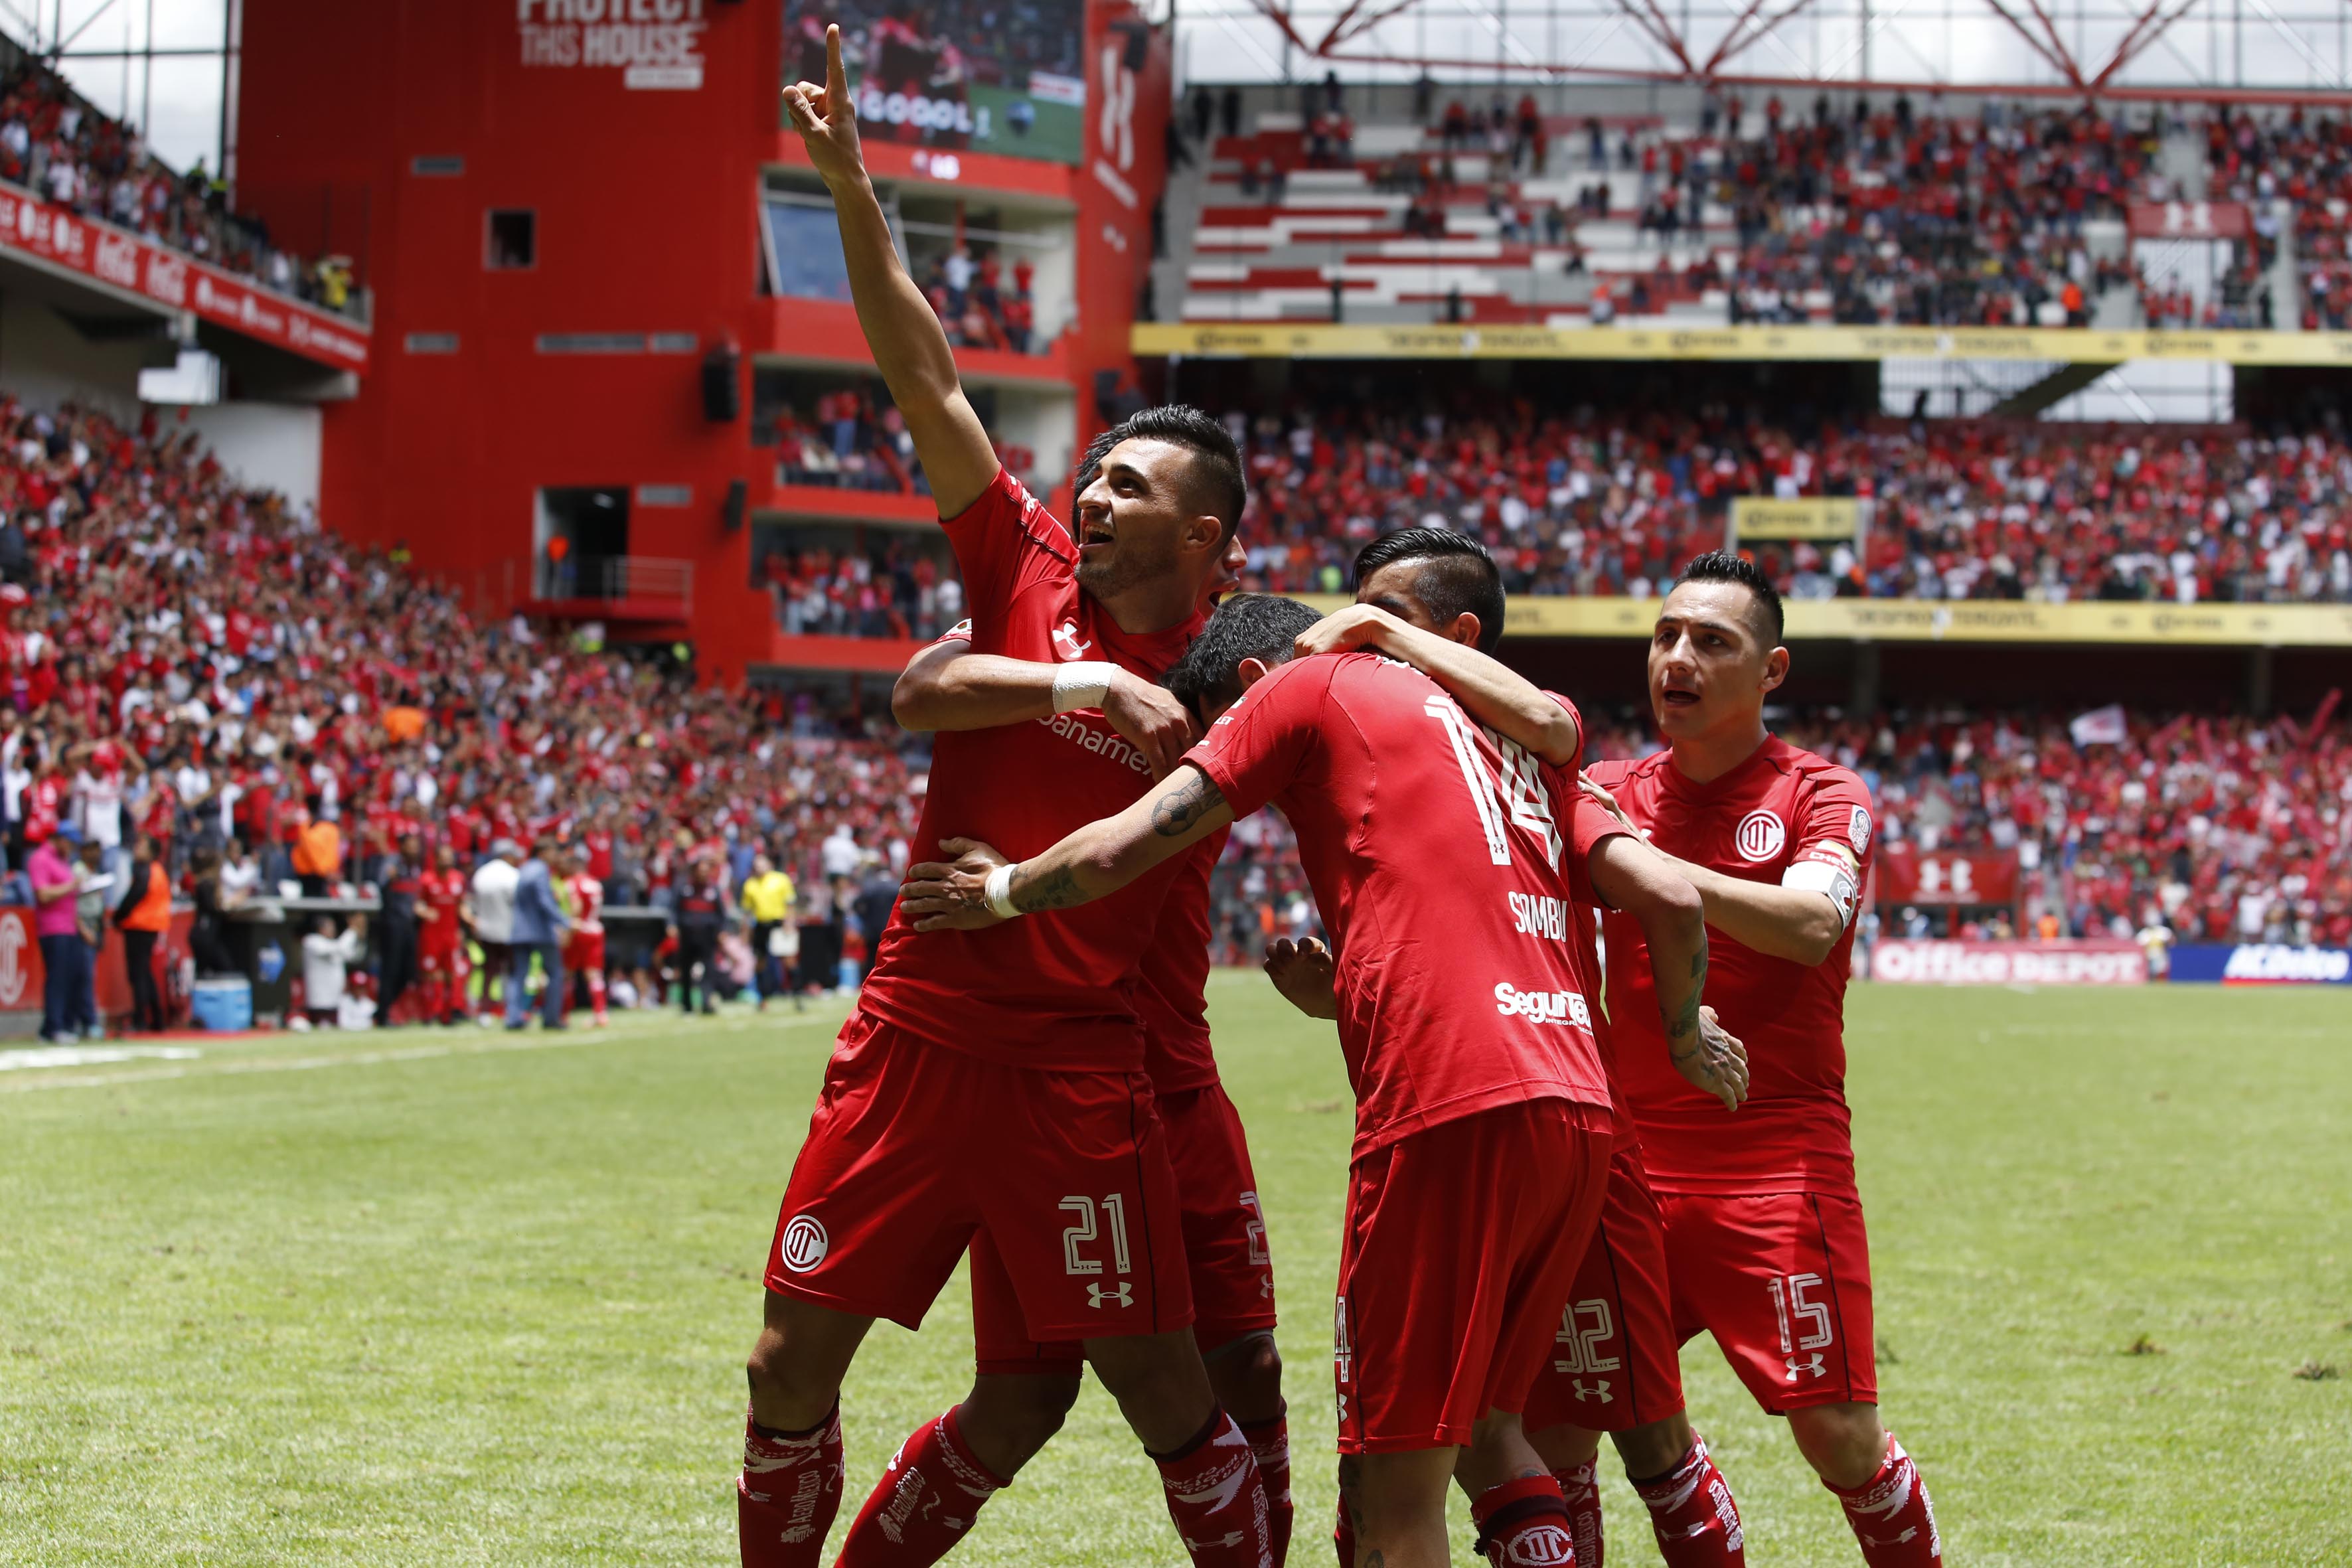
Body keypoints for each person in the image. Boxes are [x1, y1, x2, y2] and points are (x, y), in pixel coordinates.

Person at [900, 593, 1733, 1568]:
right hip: (1576, 1102)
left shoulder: (1296, 688)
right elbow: (1640, 855)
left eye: (1209, 725)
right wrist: (1683, 1037)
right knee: (1493, 1432)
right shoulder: (1492, 721)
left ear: (1248, 687)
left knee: (1394, 1495)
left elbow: (1126, 843)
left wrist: (998, 890)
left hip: (1446, 1105)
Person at [752, 33, 1272, 1568]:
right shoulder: (1023, 568)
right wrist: (856, 189)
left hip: (1076, 1071)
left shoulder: (1245, 662)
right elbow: (918, 358)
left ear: (1211, 542)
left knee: (1170, 1404)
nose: (1096, 496)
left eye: (1133, 491)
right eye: (1096, 478)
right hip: (911, 1032)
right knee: (787, 1362)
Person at [1273, 529, 1753, 1565]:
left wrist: (1681, 1027)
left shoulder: (1537, 761)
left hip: (1490, 1132)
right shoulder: (1517, 766)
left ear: (1458, 638)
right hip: (1565, 1131)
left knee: (1461, 1436)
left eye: (1384, 623)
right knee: (1535, 1437)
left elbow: (1664, 890)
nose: (1358, 647)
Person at [885, 479, 1295, 1559]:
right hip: (1063, 1078)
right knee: (1021, 1398)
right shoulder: (1071, 651)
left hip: (1176, 1077)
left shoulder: (1236, 680)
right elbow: (922, 689)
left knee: (1246, 1360)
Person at [1582, 552, 1943, 1566]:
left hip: (1771, 1157)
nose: (1676, 658)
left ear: (1770, 670)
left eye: (1710, 641)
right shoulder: (1605, 788)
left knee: (1836, 1436)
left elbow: (1810, 921)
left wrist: (1648, 870)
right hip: (1622, 1161)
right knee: (1568, 1418)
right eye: (1664, 635)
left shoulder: (1822, 792)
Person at [111, 830, 172, 1033]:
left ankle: (141, 1020)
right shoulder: (159, 871)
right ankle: (156, 1018)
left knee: (138, 974)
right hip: (151, 925)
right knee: (145, 973)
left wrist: (119, 915)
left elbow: (136, 893)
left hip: (140, 925)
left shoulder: (146, 870)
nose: (137, 850)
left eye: (142, 847)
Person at [507, 838, 570, 1032]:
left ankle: (514, 1018)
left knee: (519, 975)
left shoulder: (524, 869)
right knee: (555, 973)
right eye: (553, 852)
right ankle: (551, 1018)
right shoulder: (541, 870)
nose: (556, 856)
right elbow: (544, 901)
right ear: (542, 853)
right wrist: (565, 921)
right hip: (540, 931)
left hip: (519, 931)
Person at [373, 833, 424, 1027]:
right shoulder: (392, 863)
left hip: (410, 924)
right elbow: (381, 884)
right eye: (410, 846)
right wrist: (389, 876)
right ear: (401, 847)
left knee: (409, 970)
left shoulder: (416, 868)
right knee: (390, 969)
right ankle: (383, 1015)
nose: (414, 850)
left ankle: (386, 1007)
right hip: (393, 924)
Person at [418, 844, 472, 1026]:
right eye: (444, 857)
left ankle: (450, 1013)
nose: (447, 861)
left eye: (450, 857)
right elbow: (418, 904)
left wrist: (471, 920)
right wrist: (426, 913)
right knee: (434, 974)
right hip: (432, 934)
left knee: (452, 973)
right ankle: (433, 1011)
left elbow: (461, 905)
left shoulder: (458, 879)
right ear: (436, 858)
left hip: (450, 932)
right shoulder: (426, 879)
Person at [740, 851, 799, 1011]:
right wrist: (745, 932)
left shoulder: (781, 880)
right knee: (760, 963)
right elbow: (747, 911)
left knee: (788, 961)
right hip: (761, 925)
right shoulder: (750, 885)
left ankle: (797, 996)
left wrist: (789, 923)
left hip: (779, 924)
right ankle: (763, 999)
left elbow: (790, 904)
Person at [471, 840, 521, 1024]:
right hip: (509, 930)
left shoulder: (481, 873)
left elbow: (475, 904)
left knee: (489, 972)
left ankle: (485, 1011)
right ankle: (511, 1010)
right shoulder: (512, 875)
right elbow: (517, 905)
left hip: (485, 929)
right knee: (513, 972)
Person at [670, 856, 726, 1014]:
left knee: (709, 970)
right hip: (688, 935)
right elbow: (674, 910)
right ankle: (686, 1005)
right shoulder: (684, 888)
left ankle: (707, 1002)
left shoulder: (713, 890)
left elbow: (721, 914)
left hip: (707, 936)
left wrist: (721, 931)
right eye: (700, 870)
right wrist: (672, 925)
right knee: (686, 970)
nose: (703, 874)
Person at [561, 844, 609, 1026]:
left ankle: (564, 1012)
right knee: (594, 974)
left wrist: (568, 930)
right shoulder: (595, 883)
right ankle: (600, 1012)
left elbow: (576, 907)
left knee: (568, 973)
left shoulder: (572, 883)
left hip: (579, 930)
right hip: (595, 929)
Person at [299, 914, 365, 1029]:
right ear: (320, 928)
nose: (333, 930)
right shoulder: (311, 941)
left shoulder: (334, 943)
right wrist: (352, 930)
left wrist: (360, 938)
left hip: (336, 1000)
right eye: (330, 927)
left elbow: (355, 956)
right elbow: (340, 947)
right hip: (319, 1002)